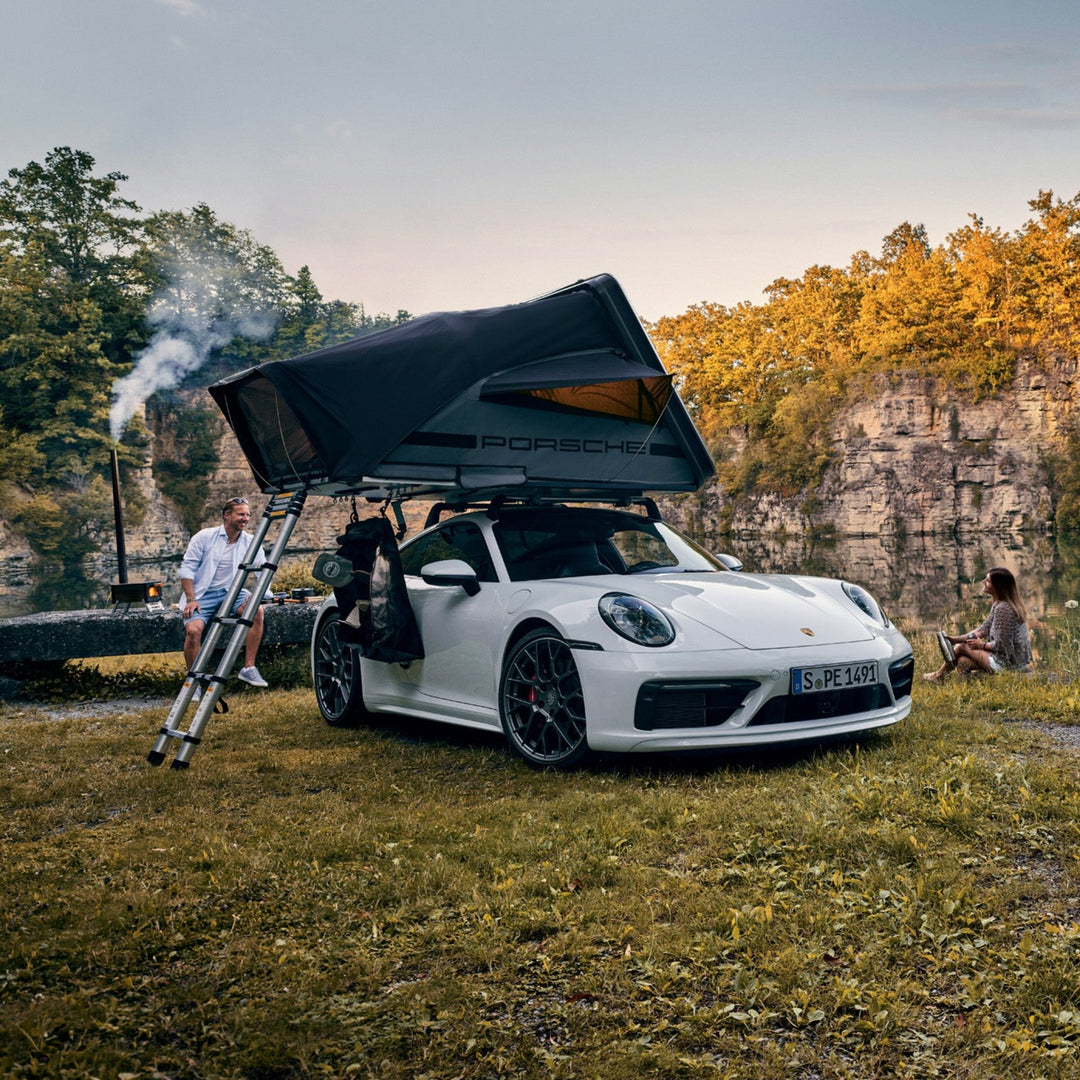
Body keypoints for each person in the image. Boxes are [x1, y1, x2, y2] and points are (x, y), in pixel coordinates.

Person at [179, 497, 269, 689]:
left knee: (257, 611)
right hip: (202, 595)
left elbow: (262, 570)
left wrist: (265, 594)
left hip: (233, 592)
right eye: (240, 514)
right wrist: (191, 599)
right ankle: (193, 682)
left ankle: (249, 668)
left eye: (247, 514)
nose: (245, 518)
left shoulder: (251, 541)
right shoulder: (204, 537)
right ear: (227, 515)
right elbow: (187, 569)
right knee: (193, 631)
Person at [924, 566, 1032, 683]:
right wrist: (957, 639)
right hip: (1008, 660)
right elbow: (983, 630)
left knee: (962, 647)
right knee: (962, 662)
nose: (983, 582)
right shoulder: (999, 605)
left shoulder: (1004, 609)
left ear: (997, 586)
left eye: (988, 581)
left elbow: (1003, 646)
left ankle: (938, 676)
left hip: (1010, 664)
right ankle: (967, 690)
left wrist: (982, 645)